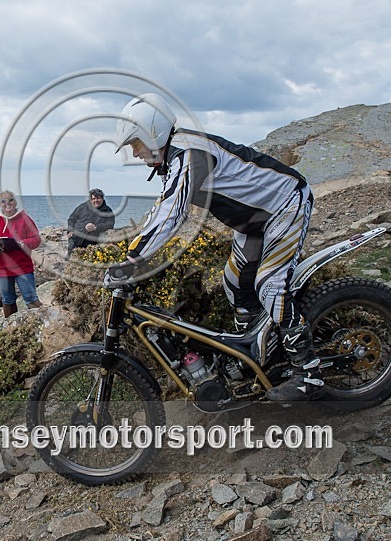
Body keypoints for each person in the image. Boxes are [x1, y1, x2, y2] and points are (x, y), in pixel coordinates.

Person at [107, 93, 323, 402]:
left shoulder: (188, 153)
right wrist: (133, 251)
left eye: (136, 144)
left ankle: (308, 371)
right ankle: (255, 353)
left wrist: (132, 261)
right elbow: (162, 209)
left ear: (153, 132)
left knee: (270, 286)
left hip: (285, 205)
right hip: (257, 222)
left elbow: (172, 214)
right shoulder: (179, 155)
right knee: (234, 282)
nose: (136, 153)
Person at [0, 190, 42, 317]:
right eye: (3, 201)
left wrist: (21, 243)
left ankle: (45, 325)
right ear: (0, 204)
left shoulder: (25, 220)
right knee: (8, 300)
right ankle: (10, 328)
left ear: (15, 202)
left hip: (23, 267)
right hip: (2, 268)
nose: (7, 203)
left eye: (10, 200)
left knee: (30, 298)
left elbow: (36, 240)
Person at [66, 188, 116, 256]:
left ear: (102, 199)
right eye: (93, 199)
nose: (96, 200)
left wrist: (95, 227)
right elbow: (71, 218)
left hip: (91, 241)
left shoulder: (108, 211)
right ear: (91, 200)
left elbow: (110, 225)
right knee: (69, 258)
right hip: (75, 238)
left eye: (98, 198)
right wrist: (70, 230)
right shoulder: (83, 206)